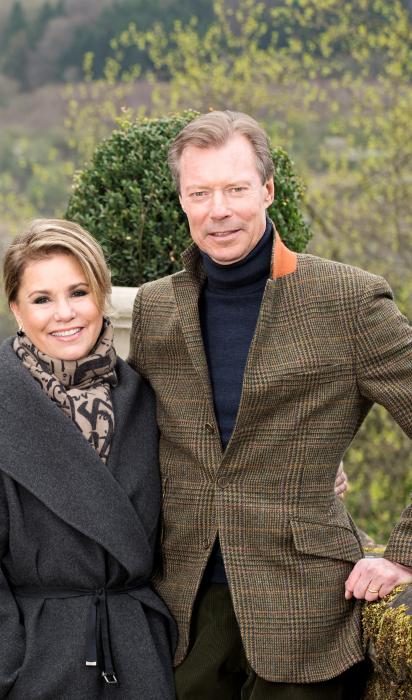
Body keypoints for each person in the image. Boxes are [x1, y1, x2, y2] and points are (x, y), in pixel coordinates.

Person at [128, 110, 412, 699]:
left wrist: (406, 555)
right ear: (181, 199)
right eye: (199, 192)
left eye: (235, 188)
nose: (219, 210)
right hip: (182, 612)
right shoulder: (155, 308)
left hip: (308, 613)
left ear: (267, 189)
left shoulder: (348, 300)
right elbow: (130, 441)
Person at [0, 219, 177, 699]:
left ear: (102, 296)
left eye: (78, 292)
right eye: (42, 299)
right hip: (34, 673)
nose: (65, 313)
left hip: (139, 662)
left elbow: (210, 480)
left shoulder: (147, 400)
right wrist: (10, 675)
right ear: (16, 310)